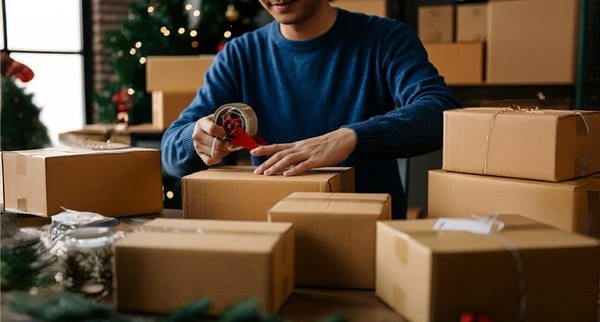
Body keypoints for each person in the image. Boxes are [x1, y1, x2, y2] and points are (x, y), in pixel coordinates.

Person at [160, 0, 462, 219]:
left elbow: (440, 111)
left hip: (369, 238)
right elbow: (171, 153)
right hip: (271, 236)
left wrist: (350, 137)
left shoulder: (385, 38)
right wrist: (194, 139)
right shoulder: (239, 55)